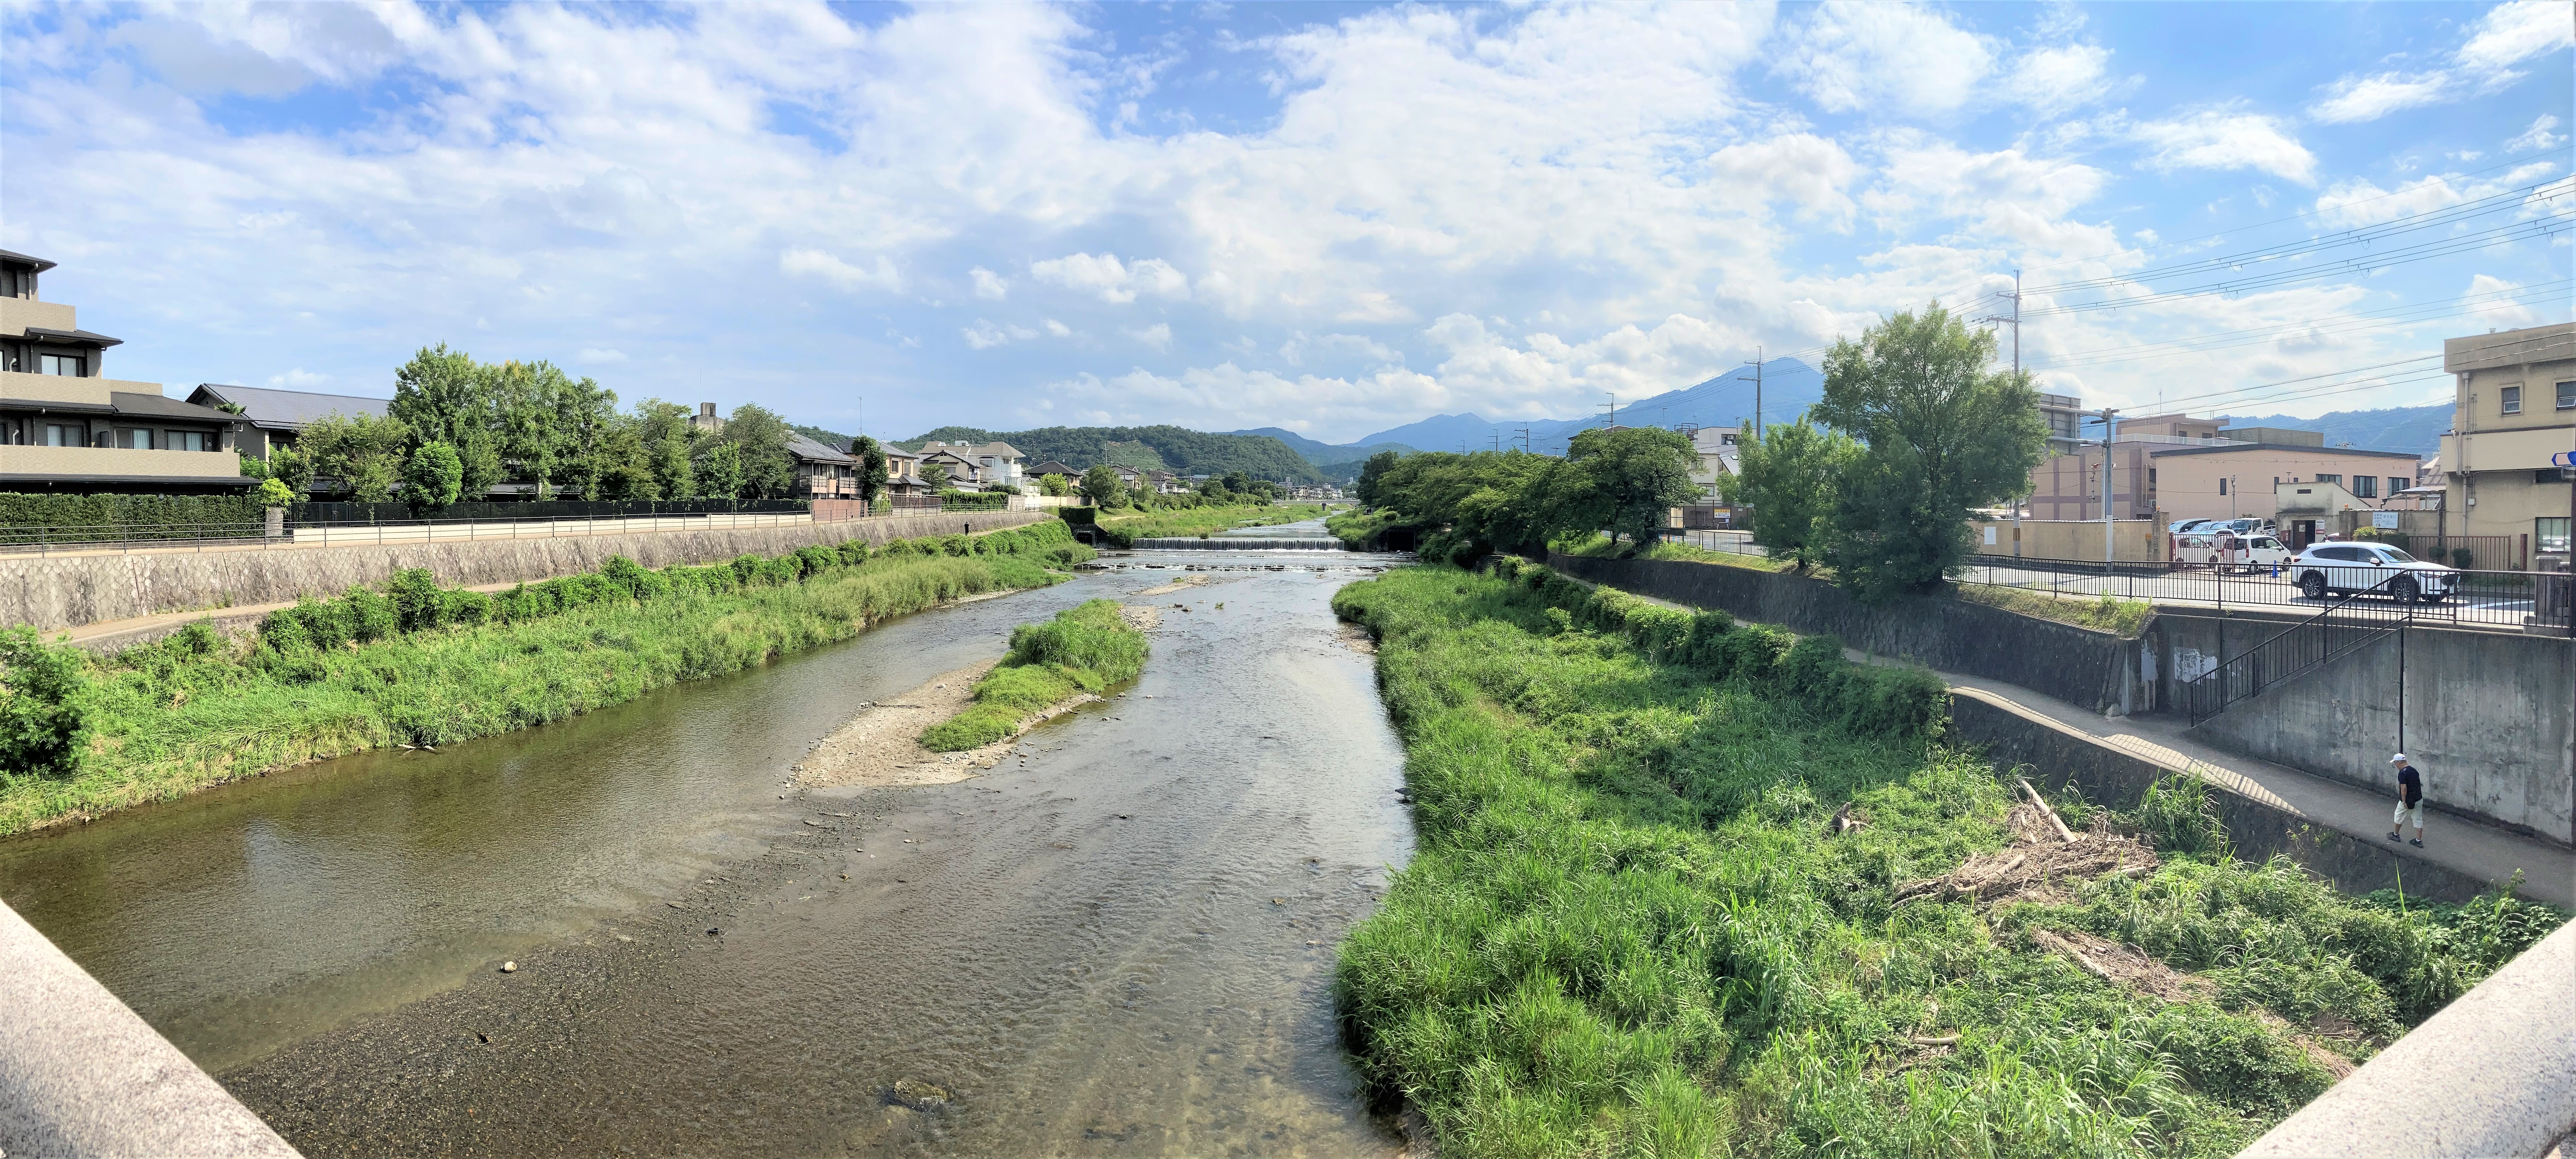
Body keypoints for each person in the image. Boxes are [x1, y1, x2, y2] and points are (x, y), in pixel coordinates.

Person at [2387, 753, 2425, 847]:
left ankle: (2396, 835)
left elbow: (2404, 789)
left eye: (2395, 763)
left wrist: (2404, 802)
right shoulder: (2414, 771)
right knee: (2418, 819)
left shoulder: (2403, 773)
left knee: (2399, 815)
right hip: (2418, 799)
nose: (2395, 765)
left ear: (2399, 762)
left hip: (2408, 800)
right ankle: (2418, 841)